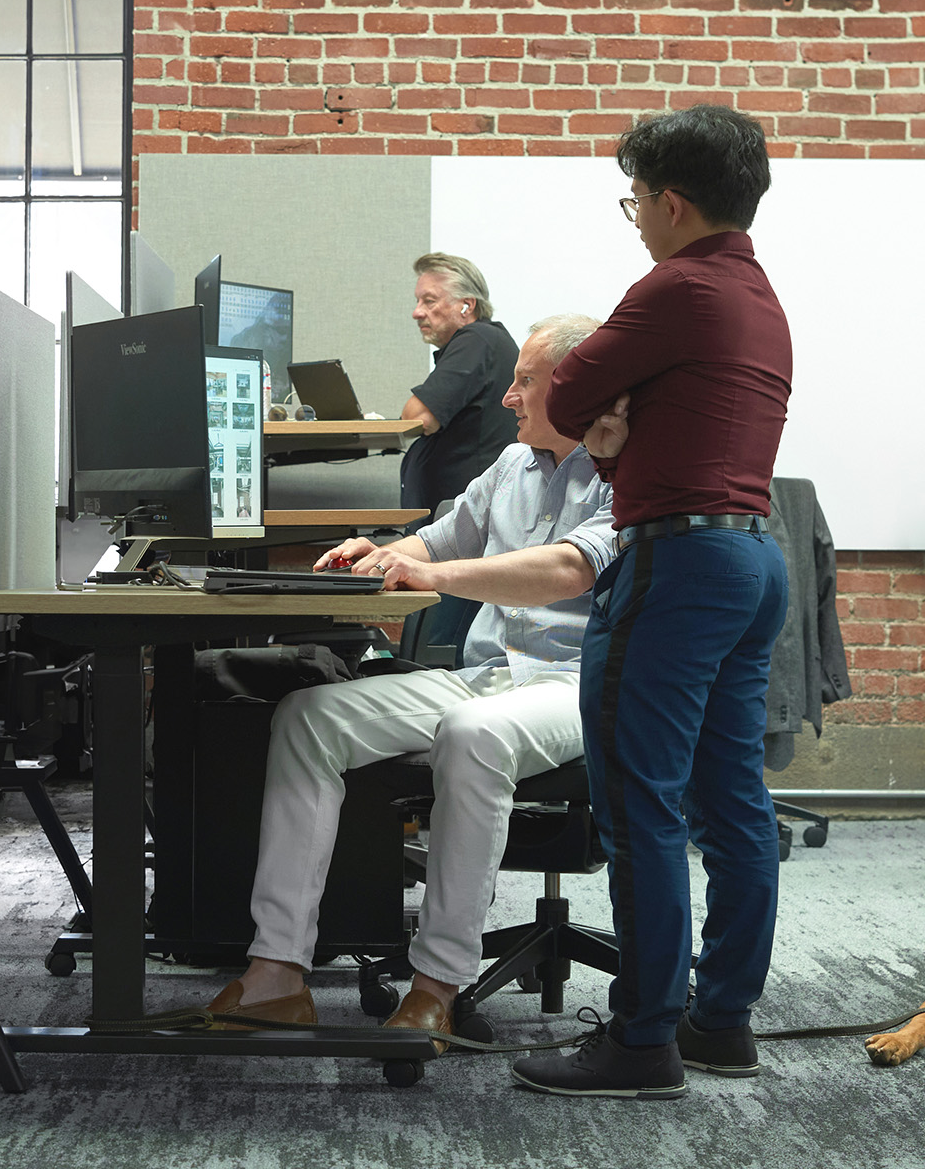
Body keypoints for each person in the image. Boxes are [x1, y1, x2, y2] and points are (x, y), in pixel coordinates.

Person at [200, 315, 616, 1046]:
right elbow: (443, 534)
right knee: (308, 716)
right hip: (489, 674)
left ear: (579, 385)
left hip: (575, 683)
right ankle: (276, 972)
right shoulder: (512, 465)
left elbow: (569, 569)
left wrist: (431, 571)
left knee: (470, 734)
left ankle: (437, 985)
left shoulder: (628, 470)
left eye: (525, 381)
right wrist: (387, 549)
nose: (508, 397)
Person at [515, 104, 793, 1099]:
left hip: (676, 567)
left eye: (635, 198)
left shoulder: (673, 284)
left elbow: (562, 396)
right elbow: (592, 411)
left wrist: (605, 424)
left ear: (672, 201)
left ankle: (640, 1039)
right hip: (754, 561)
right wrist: (613, 424)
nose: (633, 215)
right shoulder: (756, 292)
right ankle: (719, 1019)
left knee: (639, 806)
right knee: (731, 802)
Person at [397, 253, 522, 515]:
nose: (416, 312)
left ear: (466, 306)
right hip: (462, 516)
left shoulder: (477, 339)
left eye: (429, 301)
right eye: (418, 301)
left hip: (465, 520)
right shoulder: (483, 341)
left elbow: (417, 417)